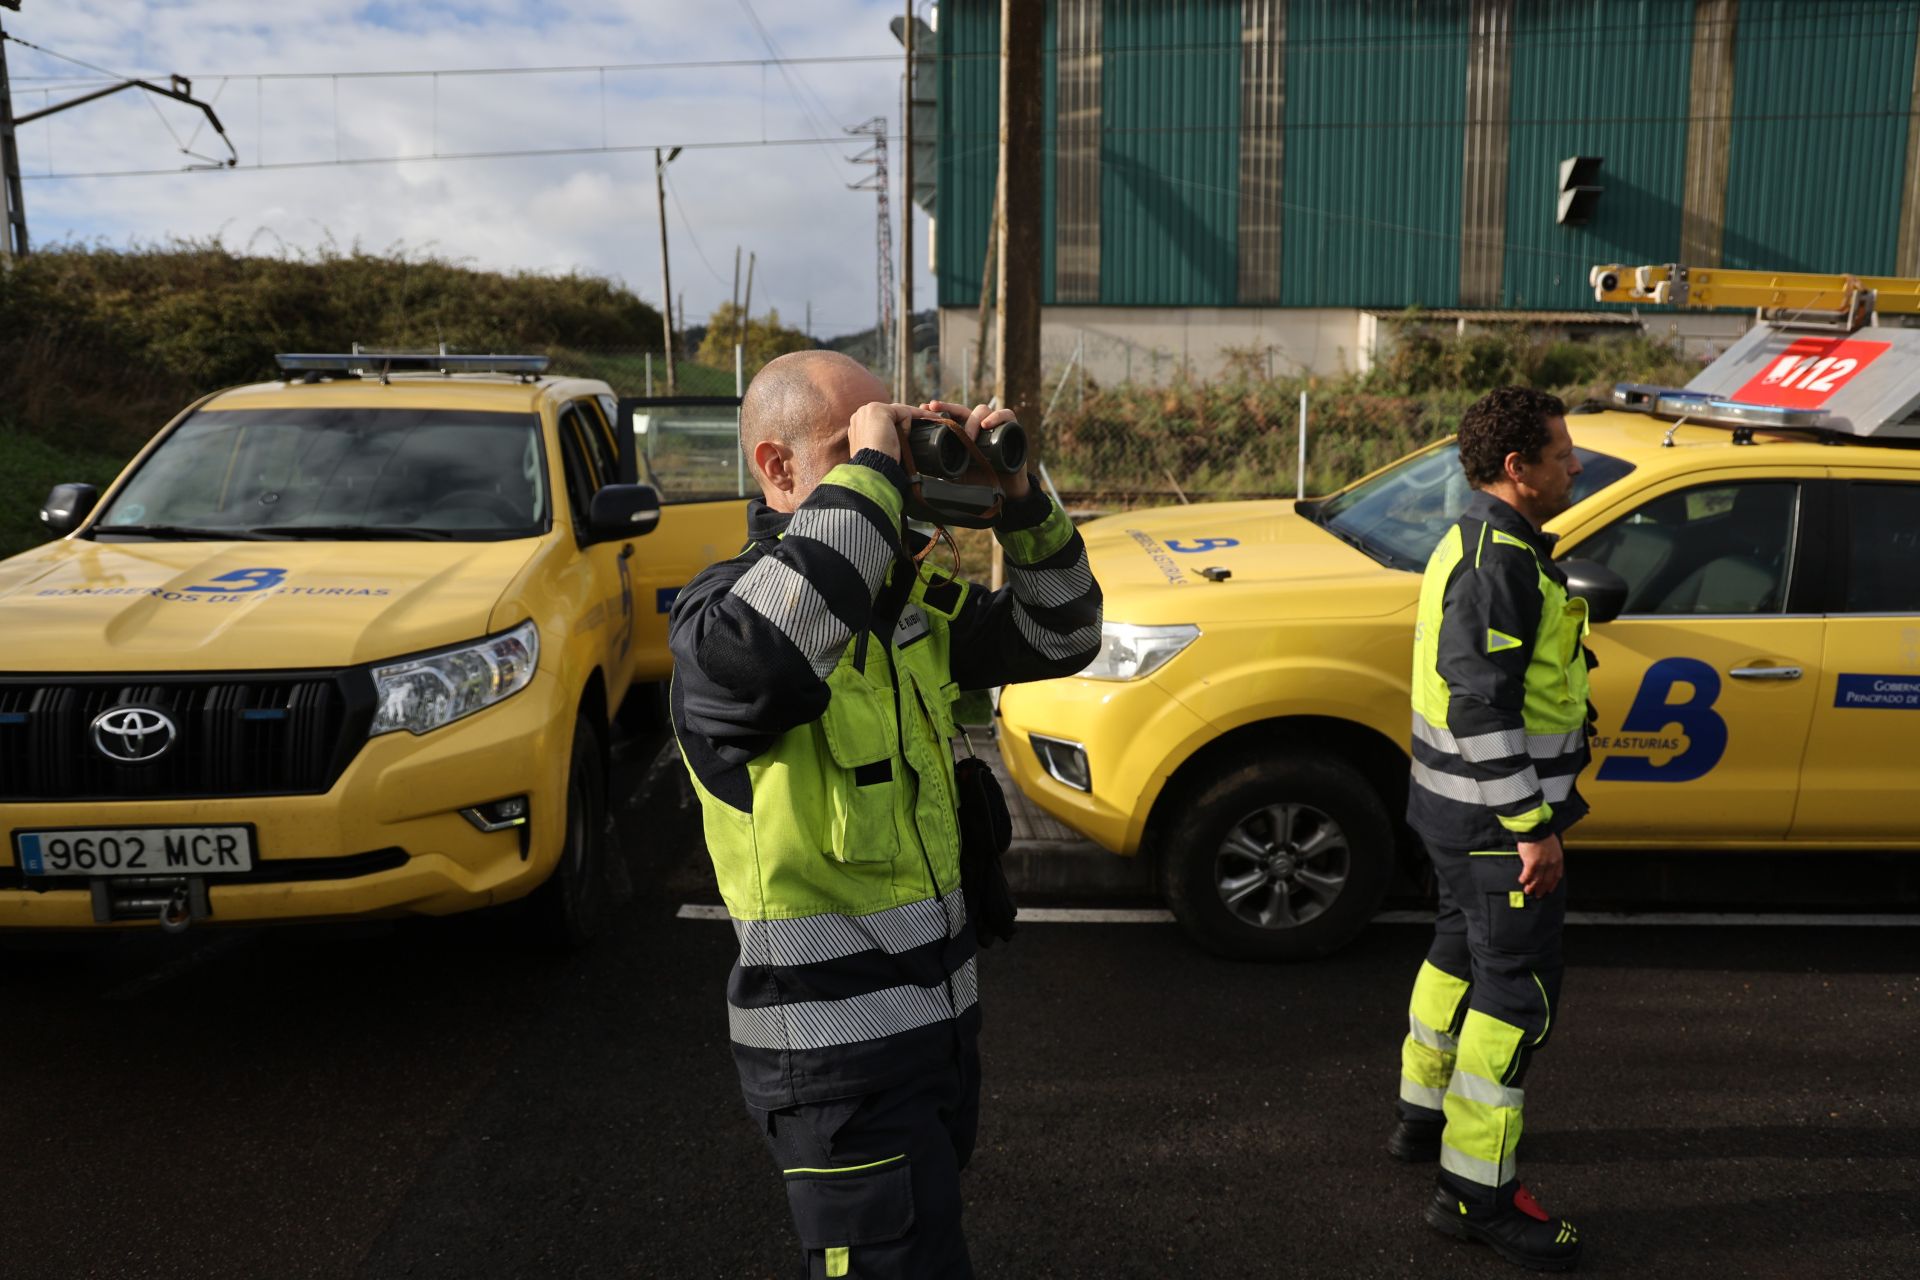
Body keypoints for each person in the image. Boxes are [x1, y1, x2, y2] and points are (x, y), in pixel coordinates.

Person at [669, 350, 1102, 1278]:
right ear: (779, 472)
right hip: (834, 1072)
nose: (896, 472)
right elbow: (771, 655)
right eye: (862, 450)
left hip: (942, 1034)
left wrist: (1019, 494)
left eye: (899, 447)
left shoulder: (910, 616)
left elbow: (1065, 633)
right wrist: (872, 474)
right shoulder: (721, 623)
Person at [1390, 386, 1592, 1271]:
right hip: (1492, 824)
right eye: (1562, 452)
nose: (1574, 465)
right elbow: (1479, 705)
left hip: (1449, 810)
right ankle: (1476, 1195)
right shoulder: (1498, 559)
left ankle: (1421, 1118)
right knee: (1515, 995)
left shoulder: (1469, 536)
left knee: (1455, 956)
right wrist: (1532, 828)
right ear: (1519, 469)